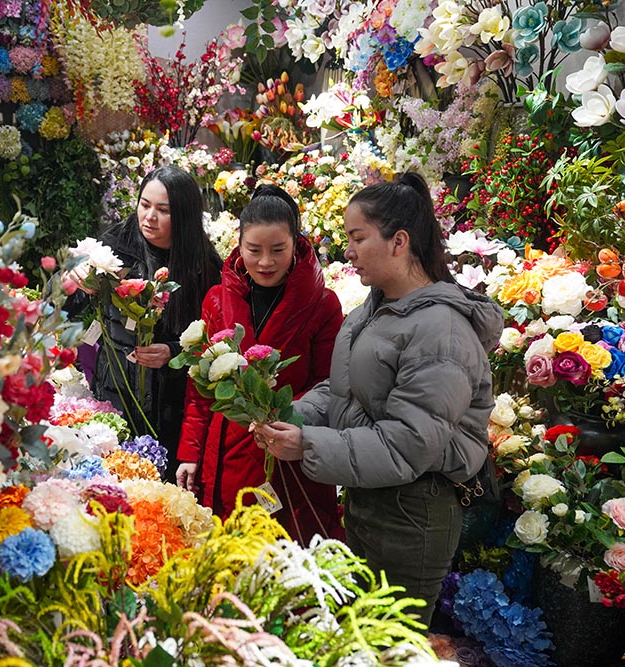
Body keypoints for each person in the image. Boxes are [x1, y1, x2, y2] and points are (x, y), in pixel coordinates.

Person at [254, 172, 503, 626]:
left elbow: (410, 442)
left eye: (358, 238)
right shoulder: (374, 311)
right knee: (359, 637)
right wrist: (289, 414)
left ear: (399, 242)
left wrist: (308, 444)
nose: (348, 251)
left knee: (390, 642)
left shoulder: (441, 330)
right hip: (369, 500)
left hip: (413, 514)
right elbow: (343, 390)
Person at [176, 184, 344, 545]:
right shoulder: (217, 299)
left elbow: (329, 384)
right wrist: (190, 453)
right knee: (229, 552)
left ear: (296, 245)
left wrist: (283, 414)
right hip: (227, 454)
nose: (265, 262)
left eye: (278, 250)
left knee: (286, 555)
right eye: (254, 250)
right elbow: (200, 389)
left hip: (287, 452)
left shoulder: (323, 304)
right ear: (239, 245)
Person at [71, 165, 221, 480]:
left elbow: (216, 339)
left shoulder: (202, 265)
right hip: (117, 389)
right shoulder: (114, 248)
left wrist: (174, 351)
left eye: (163, 210)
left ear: (183, 215)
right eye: (144, 205)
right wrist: (72, 281)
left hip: (172, 403)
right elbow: (65, 305)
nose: (149, 217)